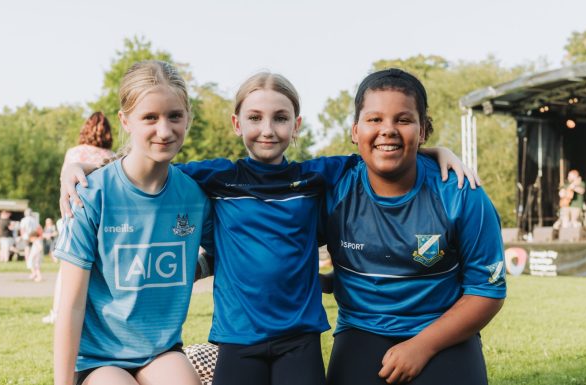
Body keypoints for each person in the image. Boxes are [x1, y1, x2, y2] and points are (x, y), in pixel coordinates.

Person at [61, 71, 479, 385]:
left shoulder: (318, 177)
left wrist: (436, 149)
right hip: (237, 339)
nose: (267, 129)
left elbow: (382, 150)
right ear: (236, 123)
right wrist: (75, 164)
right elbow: (144, 169)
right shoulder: (213, 179)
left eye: (280, 118)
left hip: (299, 338)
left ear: (296, 125)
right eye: (255, 118)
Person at [322, 69, 505, 385]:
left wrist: (423, 345)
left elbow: (487, 290)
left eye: (403, 120)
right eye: (375, 119)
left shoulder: (461, 193)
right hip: (361, 327)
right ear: (355, 130)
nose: (388, 130)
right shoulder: (334, 189)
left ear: (423, 131)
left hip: (441, 329)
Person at [53, 60, 211, 385]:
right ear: (126, 121)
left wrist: (195, 268)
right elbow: (69, 307)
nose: (164, 130)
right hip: (99, 359)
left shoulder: (195, 195)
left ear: (188, 118)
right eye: (150, 117)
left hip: (161, 351)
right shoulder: (90, 194)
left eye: (174, 116)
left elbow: (232, 250)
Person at [43, 112, 115, 325]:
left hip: (76, 214)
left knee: (68, 269)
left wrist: (64, 216)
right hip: (105, 217)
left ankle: (59, 311)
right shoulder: (111, 155)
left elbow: (64, 185)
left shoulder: (75, 153)